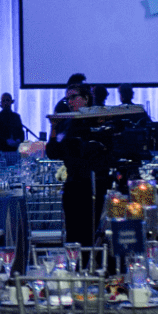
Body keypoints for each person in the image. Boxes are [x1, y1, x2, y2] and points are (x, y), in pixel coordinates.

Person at [46, 84, 104, 245]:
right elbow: (52, 152)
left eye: (73, 97)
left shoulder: (95, 121)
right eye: (67, 98)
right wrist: (53, 127)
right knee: (72, 233)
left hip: (93, 183)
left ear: (85, 99)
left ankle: (89, 266)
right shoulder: (66, 123)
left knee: (89, 232)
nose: (69, 101)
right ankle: (74, 266)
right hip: (72, 183)